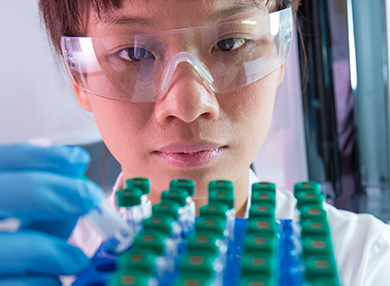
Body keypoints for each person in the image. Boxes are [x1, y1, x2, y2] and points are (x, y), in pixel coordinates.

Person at [0, 0, 389, 285]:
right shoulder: (53, 265)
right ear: (79, 77)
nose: (187, 106)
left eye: (230, 43)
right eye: (135, 53)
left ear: (280, 56)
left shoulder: (364, 260)